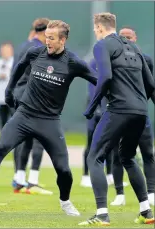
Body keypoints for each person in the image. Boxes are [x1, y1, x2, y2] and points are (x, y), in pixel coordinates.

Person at [0, 20, 98, 216]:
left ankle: (65, 201)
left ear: (63, 39)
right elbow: (18, 68)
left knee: (64, 170)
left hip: (50, 121)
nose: (47, 41)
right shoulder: (35, 53)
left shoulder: (73, 62)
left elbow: (98, 81)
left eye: (51, 38)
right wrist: (9, 92)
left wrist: (99, 102)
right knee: (0, 148)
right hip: (24, 115)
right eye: (46, 37)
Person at [80, 13, 155, 226]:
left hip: (118, 110)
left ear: (100, 27)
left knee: (94, 157)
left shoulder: (102, 46)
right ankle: (146, 212)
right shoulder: (135, 48)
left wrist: (92, 107)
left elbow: (105, 77)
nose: (95, 32)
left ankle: (102, 214)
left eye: (95, 29)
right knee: (128, 157)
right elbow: (150, 85)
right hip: (140, 112)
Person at [110, 26, 155, 206]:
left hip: (139, 113)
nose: (127, 39)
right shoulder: (113, 59)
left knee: (147, 152)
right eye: (123, 37)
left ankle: (151, 192)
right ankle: (119, 193)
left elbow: (150, 85)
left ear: (135, 38)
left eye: (130, 36)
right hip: (120, 112)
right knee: (117, 153)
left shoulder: (146, 60)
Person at [11, 18, 53, 195]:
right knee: (40, 138)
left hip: (18, 94)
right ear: (44, 33)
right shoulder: (40, 49)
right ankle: (33, 181)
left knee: (25, 138)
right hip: (33, 97)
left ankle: (19, 178)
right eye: (49, 35)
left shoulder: (23, 46)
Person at [80, 59, 115, 188]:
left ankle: (110, 175)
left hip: (107, 105)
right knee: (90, 142)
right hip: (95, 105)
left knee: (109, 142)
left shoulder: (112, 63)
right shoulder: (94, 64)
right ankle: (85, 175)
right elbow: (94, 87)